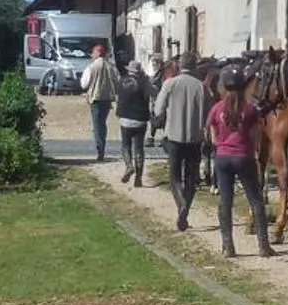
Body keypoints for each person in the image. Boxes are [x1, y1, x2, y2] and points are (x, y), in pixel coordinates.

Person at [206, 62, 273, 259]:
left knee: (225, 201)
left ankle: (228, 246)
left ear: (224, 86)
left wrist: (223, 144)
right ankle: (263, 245)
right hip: (244, 156)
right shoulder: (251, 110)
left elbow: (212, 138)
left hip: (223, 157)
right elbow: (256, 136)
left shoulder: (216, 108)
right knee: (255, 199)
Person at [153, 53, 207, 229]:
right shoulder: (201, 87)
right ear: (194, 67)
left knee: (174, 175)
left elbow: (158, 109)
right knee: (191, 177)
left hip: (174, 136)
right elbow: (208, 114)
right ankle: (187, 208)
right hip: (195, 138)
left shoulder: (170, 83)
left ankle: (181, 205)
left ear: (179, 66)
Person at [114, 60, 154, 186]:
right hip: (140, 119)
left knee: (125, 145)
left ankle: (128, 165)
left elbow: (117, 96)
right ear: (139, 70)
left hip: (125, 118)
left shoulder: (121, 80)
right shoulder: (144, 82)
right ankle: (138, 178)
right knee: (139, 148)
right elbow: (154, 93)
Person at [78, 43, 117, 162]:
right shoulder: (111, 67)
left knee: (97, 126)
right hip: (107, 98)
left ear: (97, 53)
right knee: (102, 124)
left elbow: (84, 84)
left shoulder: (91, 67)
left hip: (95, 98)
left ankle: (100, 150)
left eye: (93, 53)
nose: (91, 55)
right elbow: (117, 81)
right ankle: (102, 146)